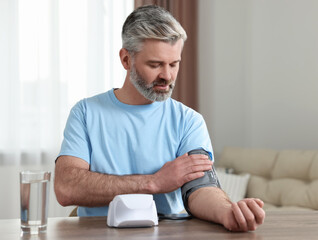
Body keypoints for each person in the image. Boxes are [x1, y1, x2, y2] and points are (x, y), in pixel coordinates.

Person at [54, 5, 265, 232]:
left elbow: (200, 189)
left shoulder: (189, 121)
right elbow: (66, 188)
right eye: (155, 65)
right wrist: (153, 182)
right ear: (126, 60)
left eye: (174, 64)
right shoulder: (86, 113)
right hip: (97, 234)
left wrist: (227, 212)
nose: (167, 76)